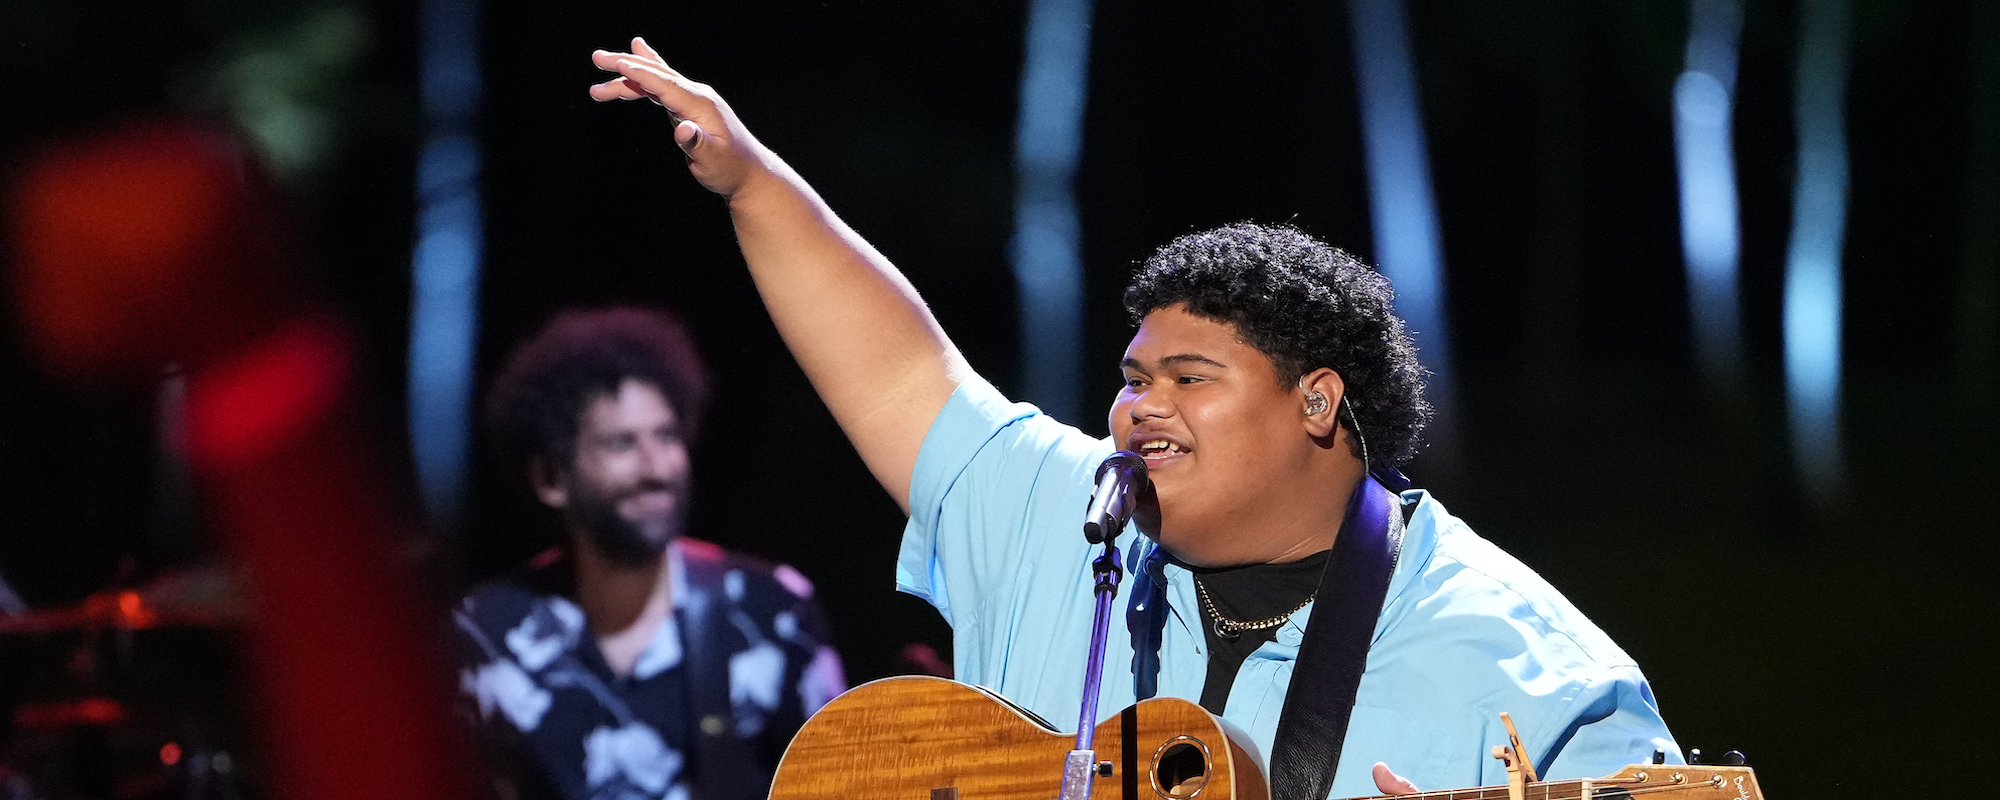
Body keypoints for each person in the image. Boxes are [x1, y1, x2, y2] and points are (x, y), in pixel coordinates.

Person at [584, 38, 1680, 798]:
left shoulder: (1529, 668)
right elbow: (897, 375)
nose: (1137, 406)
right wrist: (751, 184)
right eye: (1130, 376)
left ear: (1317, 400)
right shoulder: (1063, 515)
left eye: (1187, 378)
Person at [453, 307, 846, 800]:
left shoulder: (772, 611)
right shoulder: (485, 636)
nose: (656, 468)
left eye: (667, 436)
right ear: (551, 479)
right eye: (621, 444)